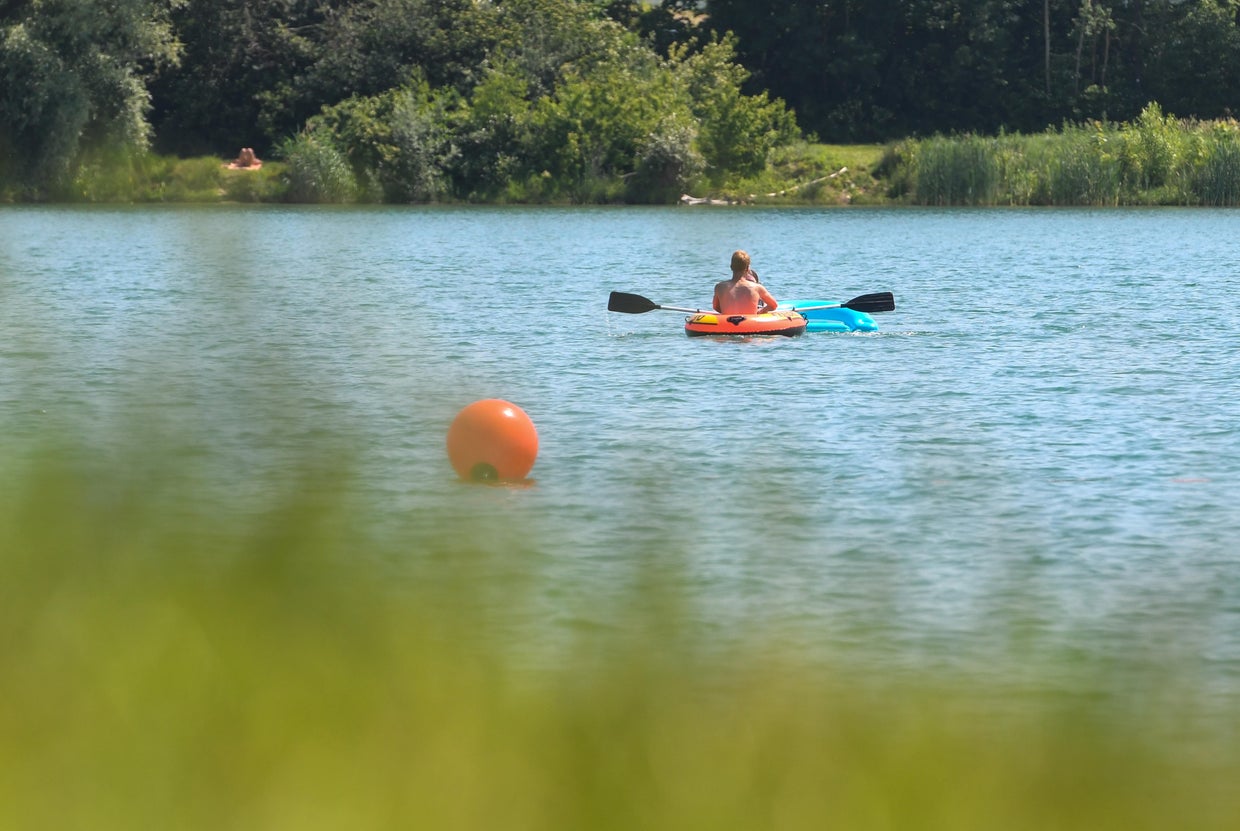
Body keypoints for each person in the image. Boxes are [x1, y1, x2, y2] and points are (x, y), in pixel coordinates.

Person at [713, 250, 779, 315]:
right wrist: (760, 311)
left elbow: (716, 307)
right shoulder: (757, 287)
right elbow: (774, 305)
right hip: (750, 321)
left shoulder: (719, 287)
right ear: (747, 268)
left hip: (726, 321)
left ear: (731, 267)